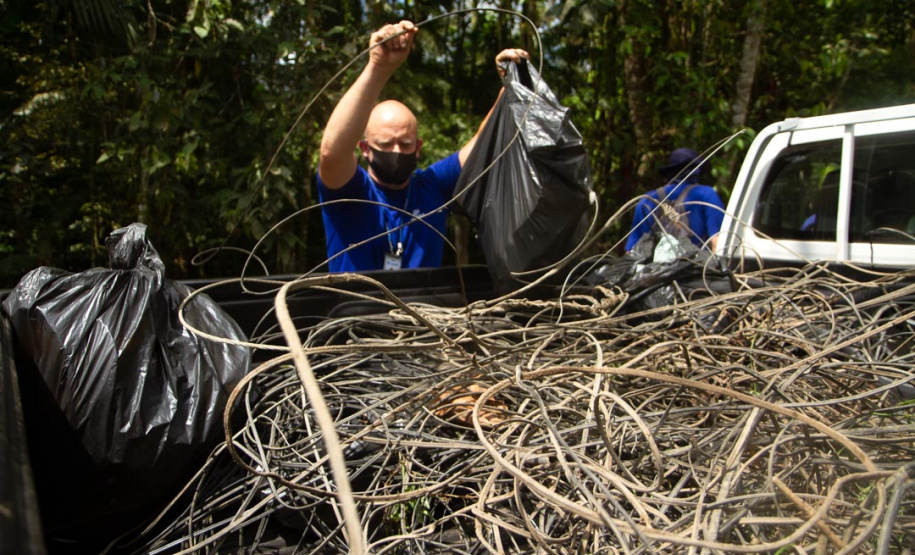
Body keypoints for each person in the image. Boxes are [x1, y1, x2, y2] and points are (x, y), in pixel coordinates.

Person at [316, 20, 528, 272]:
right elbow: (331, 152)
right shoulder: (351, 192)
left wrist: (510, 86)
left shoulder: (433, 187)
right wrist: (378, 66)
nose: (396, 151)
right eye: (385, 143)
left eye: (405, 144)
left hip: (422, 310)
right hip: (357, 309)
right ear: (364, 148)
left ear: (418, 147)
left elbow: (485, 144)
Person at [625, 147, 726, 252]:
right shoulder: (706, 194)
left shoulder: (647, 199)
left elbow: (631, 250)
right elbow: (718, 243)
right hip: (694, 266)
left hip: (653, 267)